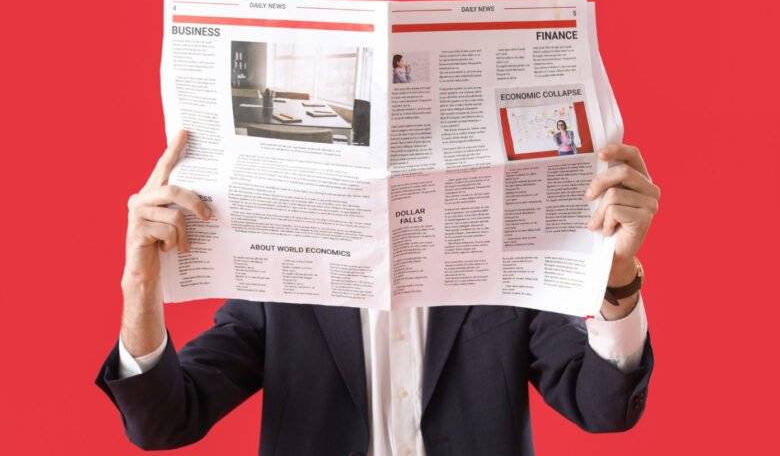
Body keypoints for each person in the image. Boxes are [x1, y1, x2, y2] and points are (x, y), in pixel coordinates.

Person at [96, 130, 660, 455]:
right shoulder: (279, 284)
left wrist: (617, 272)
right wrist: (140, 285)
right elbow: (165, 421)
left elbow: (604, 407)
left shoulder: (501, 270)